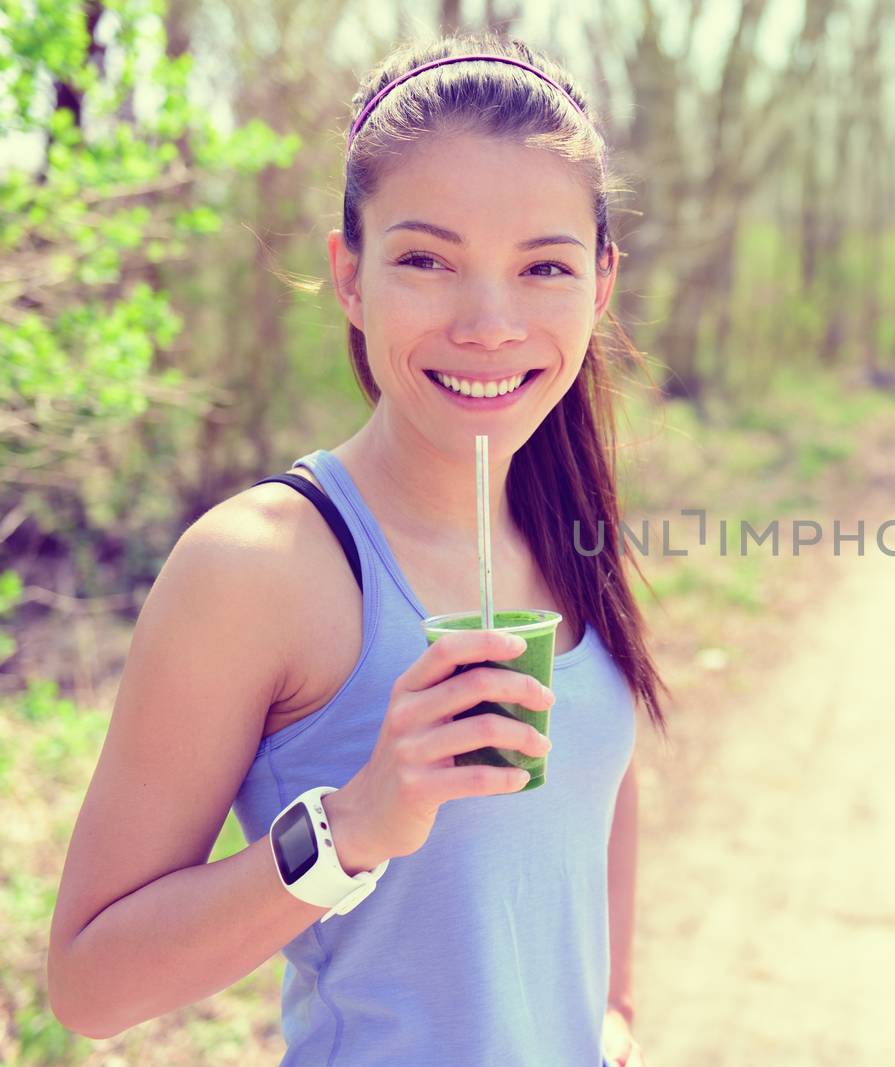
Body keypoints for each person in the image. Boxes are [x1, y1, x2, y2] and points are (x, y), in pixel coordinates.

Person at [47, 31, 668, 1067]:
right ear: (349, 277)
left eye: (543, 266)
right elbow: (90, 984)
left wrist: (614, 1010)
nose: (489, 322)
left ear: (599, 283)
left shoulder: (566, 520)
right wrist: (355, 825)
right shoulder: (259, 566)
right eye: (426, 260)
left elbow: (603, 780)